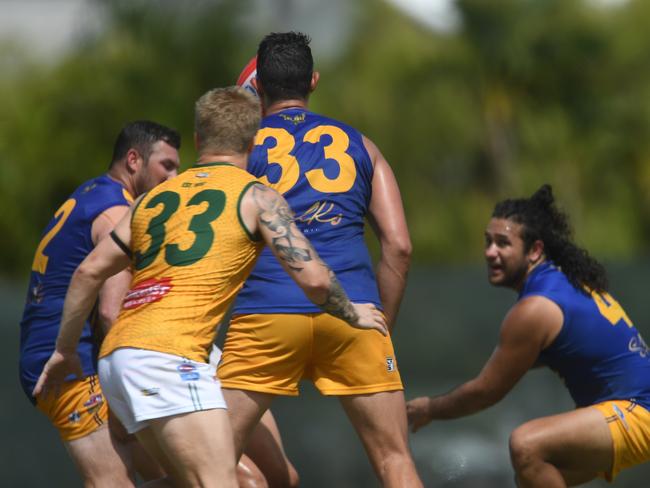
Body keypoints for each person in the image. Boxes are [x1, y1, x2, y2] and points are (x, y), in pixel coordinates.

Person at [33, 86, 387, 488]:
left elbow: (87, 274)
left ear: (199, 140)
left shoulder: (151, 199)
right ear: (254, 143)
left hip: (118, 361)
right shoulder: (257, 197)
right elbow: (316, 278)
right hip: (170, 358)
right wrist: (353, 311)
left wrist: (64, 349)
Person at [219, 32, 422, 487]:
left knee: (212, 463)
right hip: (352, 310)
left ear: (259, 88)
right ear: (313, 80)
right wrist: (379, 323)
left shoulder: (238, 151)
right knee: (395, 459)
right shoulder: (362, 145)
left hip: (267, 313)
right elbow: (399, 246)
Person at [407, 184, 650, 487]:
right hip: (630, 409)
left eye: (503, 243)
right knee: (531, 475)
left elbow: (487, 392)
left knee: (527, 446)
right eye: (488, 242)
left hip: (638, 411)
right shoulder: (563, 281)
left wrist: (429, 409)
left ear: (534, 250)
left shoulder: (535, 309)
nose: (489, 252)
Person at [19, 120, 180, 486]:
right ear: (134, 160)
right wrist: (131, 389)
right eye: (166, 166)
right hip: (68, 364)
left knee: (179, 475)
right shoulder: (117, 213)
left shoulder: (93, 192)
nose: (175, 178)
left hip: (67, 353)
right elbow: (111, 311)